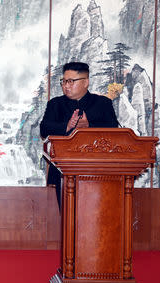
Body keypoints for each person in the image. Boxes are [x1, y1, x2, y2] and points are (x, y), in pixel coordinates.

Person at [40, 62, 119, 208]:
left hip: (97, 172)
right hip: (63, 171)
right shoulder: (55, 104)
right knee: (67, 215)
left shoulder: (102, 103)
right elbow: (44, 128)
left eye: (71, 81)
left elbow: (114, 130)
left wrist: (89, 126)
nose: (66, 86)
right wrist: (67, 126)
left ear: (85, 82)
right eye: (63, 81)